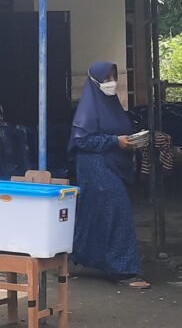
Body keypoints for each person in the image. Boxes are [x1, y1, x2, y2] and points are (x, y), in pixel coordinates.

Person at [68, 61, 149, 289]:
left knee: (93, 213)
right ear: (95, 82)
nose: (111, 82)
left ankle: (80, 257)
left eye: (113, 77)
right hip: (94, 165)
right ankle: (124, 270)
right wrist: (115, 141)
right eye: (106, 78)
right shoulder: (87, 109)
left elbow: (119, 132)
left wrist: (130, 141)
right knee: (118, 210)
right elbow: (81, 140)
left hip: (111, 163)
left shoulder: (112, 104)